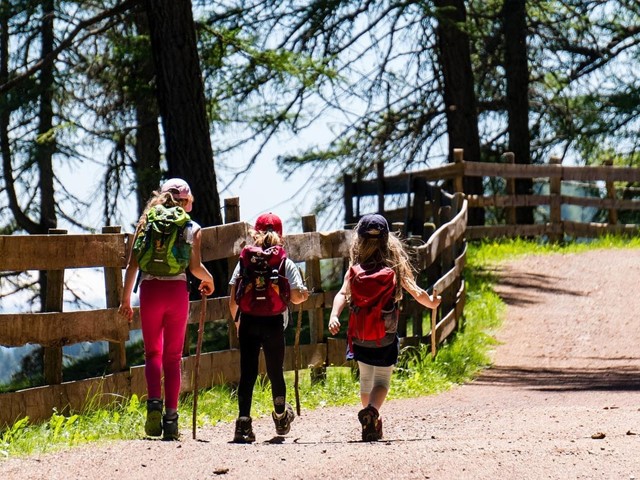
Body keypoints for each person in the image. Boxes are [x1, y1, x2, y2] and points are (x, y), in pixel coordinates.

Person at [328, 213, 441, 442]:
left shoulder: (355, 268)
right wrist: (431, 302)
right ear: (387, 240)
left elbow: (342, 294)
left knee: (366, 379)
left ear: (358, 240)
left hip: (360, 336)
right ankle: (372, 412)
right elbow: (416, 292)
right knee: (382, 381)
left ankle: (370, 420)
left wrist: (334, 315)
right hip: (385, 337)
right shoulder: (394, 267)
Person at [119, 178, 214, 441]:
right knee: (173, 358)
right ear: (188, 201)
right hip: (176, 293)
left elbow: (132, 266)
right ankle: (171, 419)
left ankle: (153, 405)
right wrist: (209, 280)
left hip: (150, 291)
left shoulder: (146, 222)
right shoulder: (191, 227)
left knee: (153, 354)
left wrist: (125, 300)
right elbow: (194, 268)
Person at [228, 212, 309, 443]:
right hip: (274, 322)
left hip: (249, 321)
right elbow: (295, 296)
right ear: (281, 235)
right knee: (275, 372)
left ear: (255, 233)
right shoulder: (285, 262)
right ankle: (281, 417)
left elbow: (233, 298)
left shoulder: (245, 261)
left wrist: (237, 321)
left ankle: (243, 424)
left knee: (248, 373)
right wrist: (303, 295)